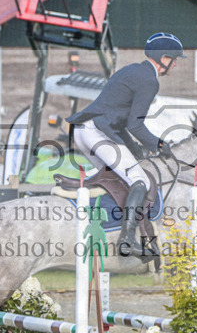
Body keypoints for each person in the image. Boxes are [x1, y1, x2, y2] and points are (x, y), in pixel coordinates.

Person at [66, 32, 185, 258]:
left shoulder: (131, 71)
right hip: (97, 132)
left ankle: (109, 229)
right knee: (138, 180)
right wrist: (160, 145)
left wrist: (136, 150)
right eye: (174, 58)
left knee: (117, 178)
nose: (176, 63)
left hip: (83, 130)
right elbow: (135, 125)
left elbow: (121, 122)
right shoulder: (149, 80)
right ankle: (127, 240)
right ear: (163, 58)